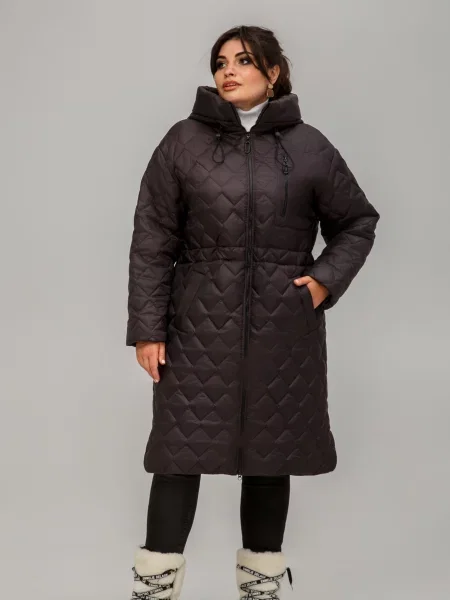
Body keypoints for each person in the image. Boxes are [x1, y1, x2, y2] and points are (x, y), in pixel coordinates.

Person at [125, 25, 380, 600]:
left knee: (271, 455)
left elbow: (357, 222)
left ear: (274, 72)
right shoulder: (182, 142)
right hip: (194, 328)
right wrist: (147, 328)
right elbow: (153, 240)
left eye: (242, 60)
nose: (228, 71)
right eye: (220, 63)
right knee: (178, 454)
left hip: (281, 329)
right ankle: (153, 589)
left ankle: (260, 589)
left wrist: (322, 282)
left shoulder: (309, 146)